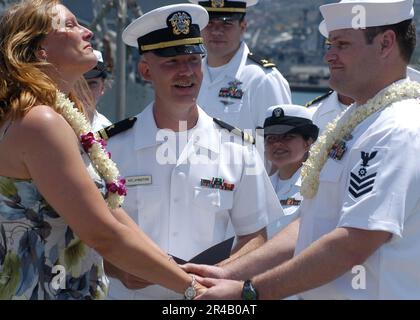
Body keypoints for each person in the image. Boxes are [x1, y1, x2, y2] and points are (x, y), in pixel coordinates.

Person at [183, 0, 420, 300]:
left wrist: (250, 293)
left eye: (342, 44)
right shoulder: (357, 121)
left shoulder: (397, 129)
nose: (329, 55)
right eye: (330, 44)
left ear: (386, 43)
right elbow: (309, 225)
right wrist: (230, 271)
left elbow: (353, 242)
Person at [0, 0, 205, 300]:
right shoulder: (40, 122)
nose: (88, 32)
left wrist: (180, 274)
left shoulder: (49, 115)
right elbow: (102, 234)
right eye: (70, 25)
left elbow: (112, 215)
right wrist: (194, 291)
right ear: (38, 47)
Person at [104, 3, 282, 299]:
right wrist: (117, 268)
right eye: (171, 62)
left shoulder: (238, 149)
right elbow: (92, 234)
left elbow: (256, 236)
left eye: (192, 60)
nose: (186, 72)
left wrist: (223, 273)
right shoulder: (111, 149)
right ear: (146, 71)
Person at [188, 0, 291, 133]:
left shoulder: (262, 79)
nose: (217, 31)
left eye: (226, 24)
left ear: (243, 27)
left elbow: (281, 142)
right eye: (210, 23)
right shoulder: (189, 74)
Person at [260, 105, 319, 238]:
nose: (277, 143)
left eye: (287, 137)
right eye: (271, 138)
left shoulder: (317, 186)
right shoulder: (258, 186)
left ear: (308, 143)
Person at [83, 49, 112, 131]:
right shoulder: (54, 124)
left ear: (102, 87)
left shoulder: (107, 130)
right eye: (80, 84)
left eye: (92, 84)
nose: (85, 91)